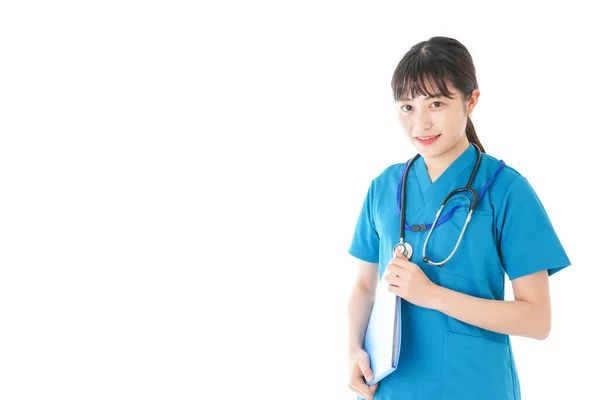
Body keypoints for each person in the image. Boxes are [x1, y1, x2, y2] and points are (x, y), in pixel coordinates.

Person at [346, 36, 571, 400]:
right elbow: (365, 287)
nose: (420, 123)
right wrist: (353, 348)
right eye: (407, 107)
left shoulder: (506, 190)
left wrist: (431, 295)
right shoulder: (383, 188)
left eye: (436, 103)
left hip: (474, 386)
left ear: (471, 100)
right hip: (390, 387)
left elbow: (537, 319)